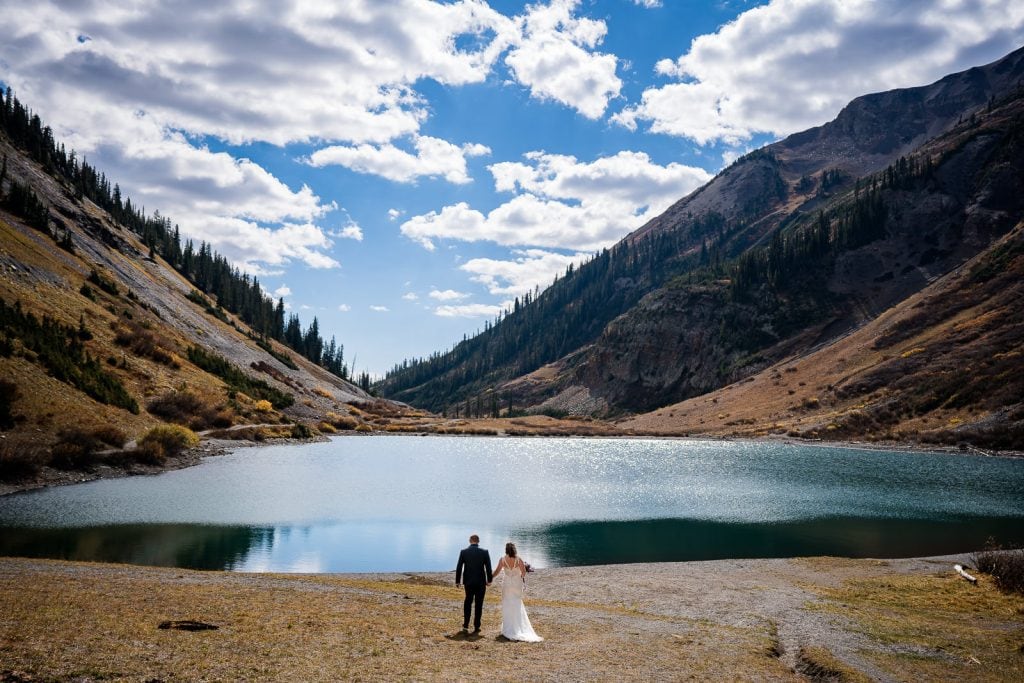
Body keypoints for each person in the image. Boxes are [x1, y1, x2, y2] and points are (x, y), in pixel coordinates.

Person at [492, 541, 543, 642]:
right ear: (514, 549)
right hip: (516, 584)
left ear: (506, 549)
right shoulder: (518, 559)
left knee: (507, 604)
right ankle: (518, 626)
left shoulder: (502, 559)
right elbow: (523, 572)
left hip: (507, 584)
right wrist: (519, 576)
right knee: (517, 603)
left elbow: (497, 571)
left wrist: (490, 578)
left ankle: (508, 628)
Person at [455, 534, 492, 633]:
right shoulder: (484, 552)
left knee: (468, 602)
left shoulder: (464, 552)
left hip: (469, 581)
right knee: (479, 604)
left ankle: (466, 625)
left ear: (470, 541)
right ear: (478, 541)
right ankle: (477, 626)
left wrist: (458, 581)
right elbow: (488, 567)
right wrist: (489, 580)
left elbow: (459, 567)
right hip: (480, 582)